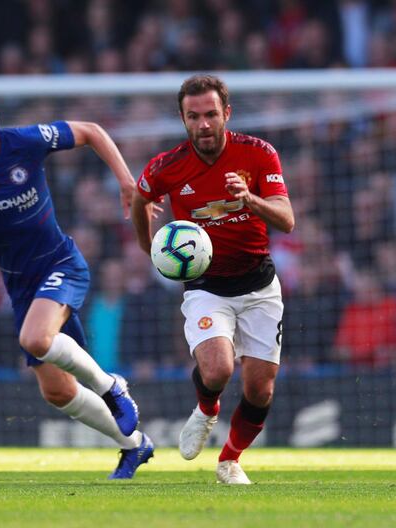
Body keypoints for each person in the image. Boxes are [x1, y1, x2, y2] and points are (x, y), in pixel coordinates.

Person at [0, 84, 152, 479]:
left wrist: (125, 181)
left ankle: (113, 388)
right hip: (20, 285)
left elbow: (92, 132)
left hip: (60, 264)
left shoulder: (26, 141)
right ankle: (135, 445)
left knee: (35, 339)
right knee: (58, 392)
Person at [131, 74, 295, 484]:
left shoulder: (258, 154)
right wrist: (148, 246)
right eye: (193, 116)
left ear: (227, 113)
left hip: (258, 285)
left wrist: (250, 199)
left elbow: (287, 220)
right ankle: (206, 409)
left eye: (210, 114)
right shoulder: (167, 166)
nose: (203, 124)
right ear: (183, 119)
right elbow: (140, 197)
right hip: (206, 287)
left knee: (260, 390)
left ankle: (229, 460)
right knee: (219, 369)